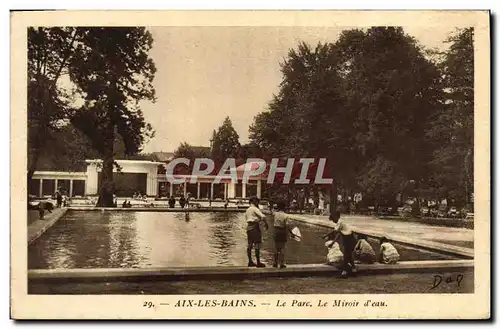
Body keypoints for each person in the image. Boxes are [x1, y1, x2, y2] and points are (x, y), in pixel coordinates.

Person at [323, 210, 357, 277]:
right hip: (348, 239)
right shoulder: (341, 223)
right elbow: (338, 234)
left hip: (349, 239)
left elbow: (334, 231)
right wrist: (333, 242)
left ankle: (344, 273)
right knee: (349, 255)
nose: (333, 222)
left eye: (333, 220)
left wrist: (326, 235)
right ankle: (354, 269)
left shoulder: (340, 222)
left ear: (336, 217)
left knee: (346, 256)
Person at [245, 196, 269, 267]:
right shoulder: (255, 209)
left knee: (249, 245)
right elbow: (263, 216)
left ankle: (250, 261)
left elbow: (247, 219)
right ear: (254, 201)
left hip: (249, 227)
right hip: (255, 227)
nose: (258, 203)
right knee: (257, 244)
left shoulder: (248, 209)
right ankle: (258, 262)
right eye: (257, 201)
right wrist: (265, 223)